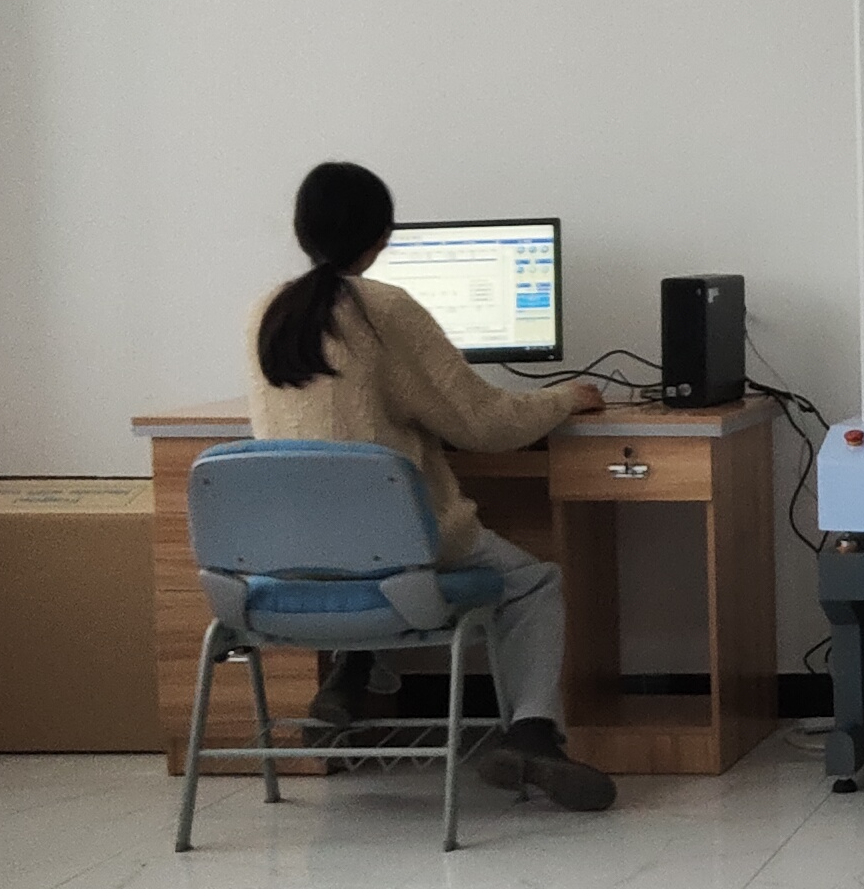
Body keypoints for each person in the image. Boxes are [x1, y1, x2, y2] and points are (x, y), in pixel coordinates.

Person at [245, 159, 615, 813]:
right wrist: (566, 399)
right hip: (394, 554)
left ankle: (354, 670)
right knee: (534, 582)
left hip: (292, 561)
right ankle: (533, 735)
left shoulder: (266, 312)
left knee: (368, 550)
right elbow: (484, 423)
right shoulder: (383, 309)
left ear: (302, 231)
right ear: (382, 235)